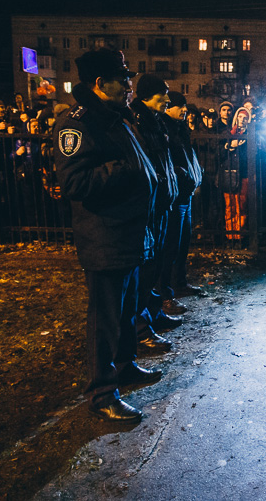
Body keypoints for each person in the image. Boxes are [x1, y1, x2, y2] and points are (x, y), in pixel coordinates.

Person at [53, 48, 161, 423]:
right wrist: (124, 169)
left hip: (128, 233)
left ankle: (125, 366)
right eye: (123, 80)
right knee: (105, 318)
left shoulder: (116, 118)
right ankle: (102, 392)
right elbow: (75, 182)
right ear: (100, 83)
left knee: (127, 310)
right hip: (105, 236)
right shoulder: (79, 124)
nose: (130, 86)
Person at [129, 73, 180, 352]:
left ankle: (154, 313)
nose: (168, 99)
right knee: (146, 268)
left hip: (161, 202)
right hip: (150, 206)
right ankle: (141, 328)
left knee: (157, 263)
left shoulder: (155, 120)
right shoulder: (137, 122)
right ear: (149, 96)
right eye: (164, 93)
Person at [160, 91, 204, 298]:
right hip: (176, 195)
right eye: (180, 106)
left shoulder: (180, 128)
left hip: (185, 193)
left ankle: (179, 282)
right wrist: (182, 175)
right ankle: (167, 289)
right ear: (169, 108)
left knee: (183, 241)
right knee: (172, 244)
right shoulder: (165, 129)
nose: (185, 110)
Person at [222, 106, 251, 242]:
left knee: (242, 206)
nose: (242, 119)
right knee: (230, 206)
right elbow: (219, 153)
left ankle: (239, 235)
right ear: (236, 118)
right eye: (240, 116)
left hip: (244, 173)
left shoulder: (250, 134)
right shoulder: (228, 132)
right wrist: (230, 146)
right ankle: (230, 235)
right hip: (229, 173)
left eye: (245, 118)